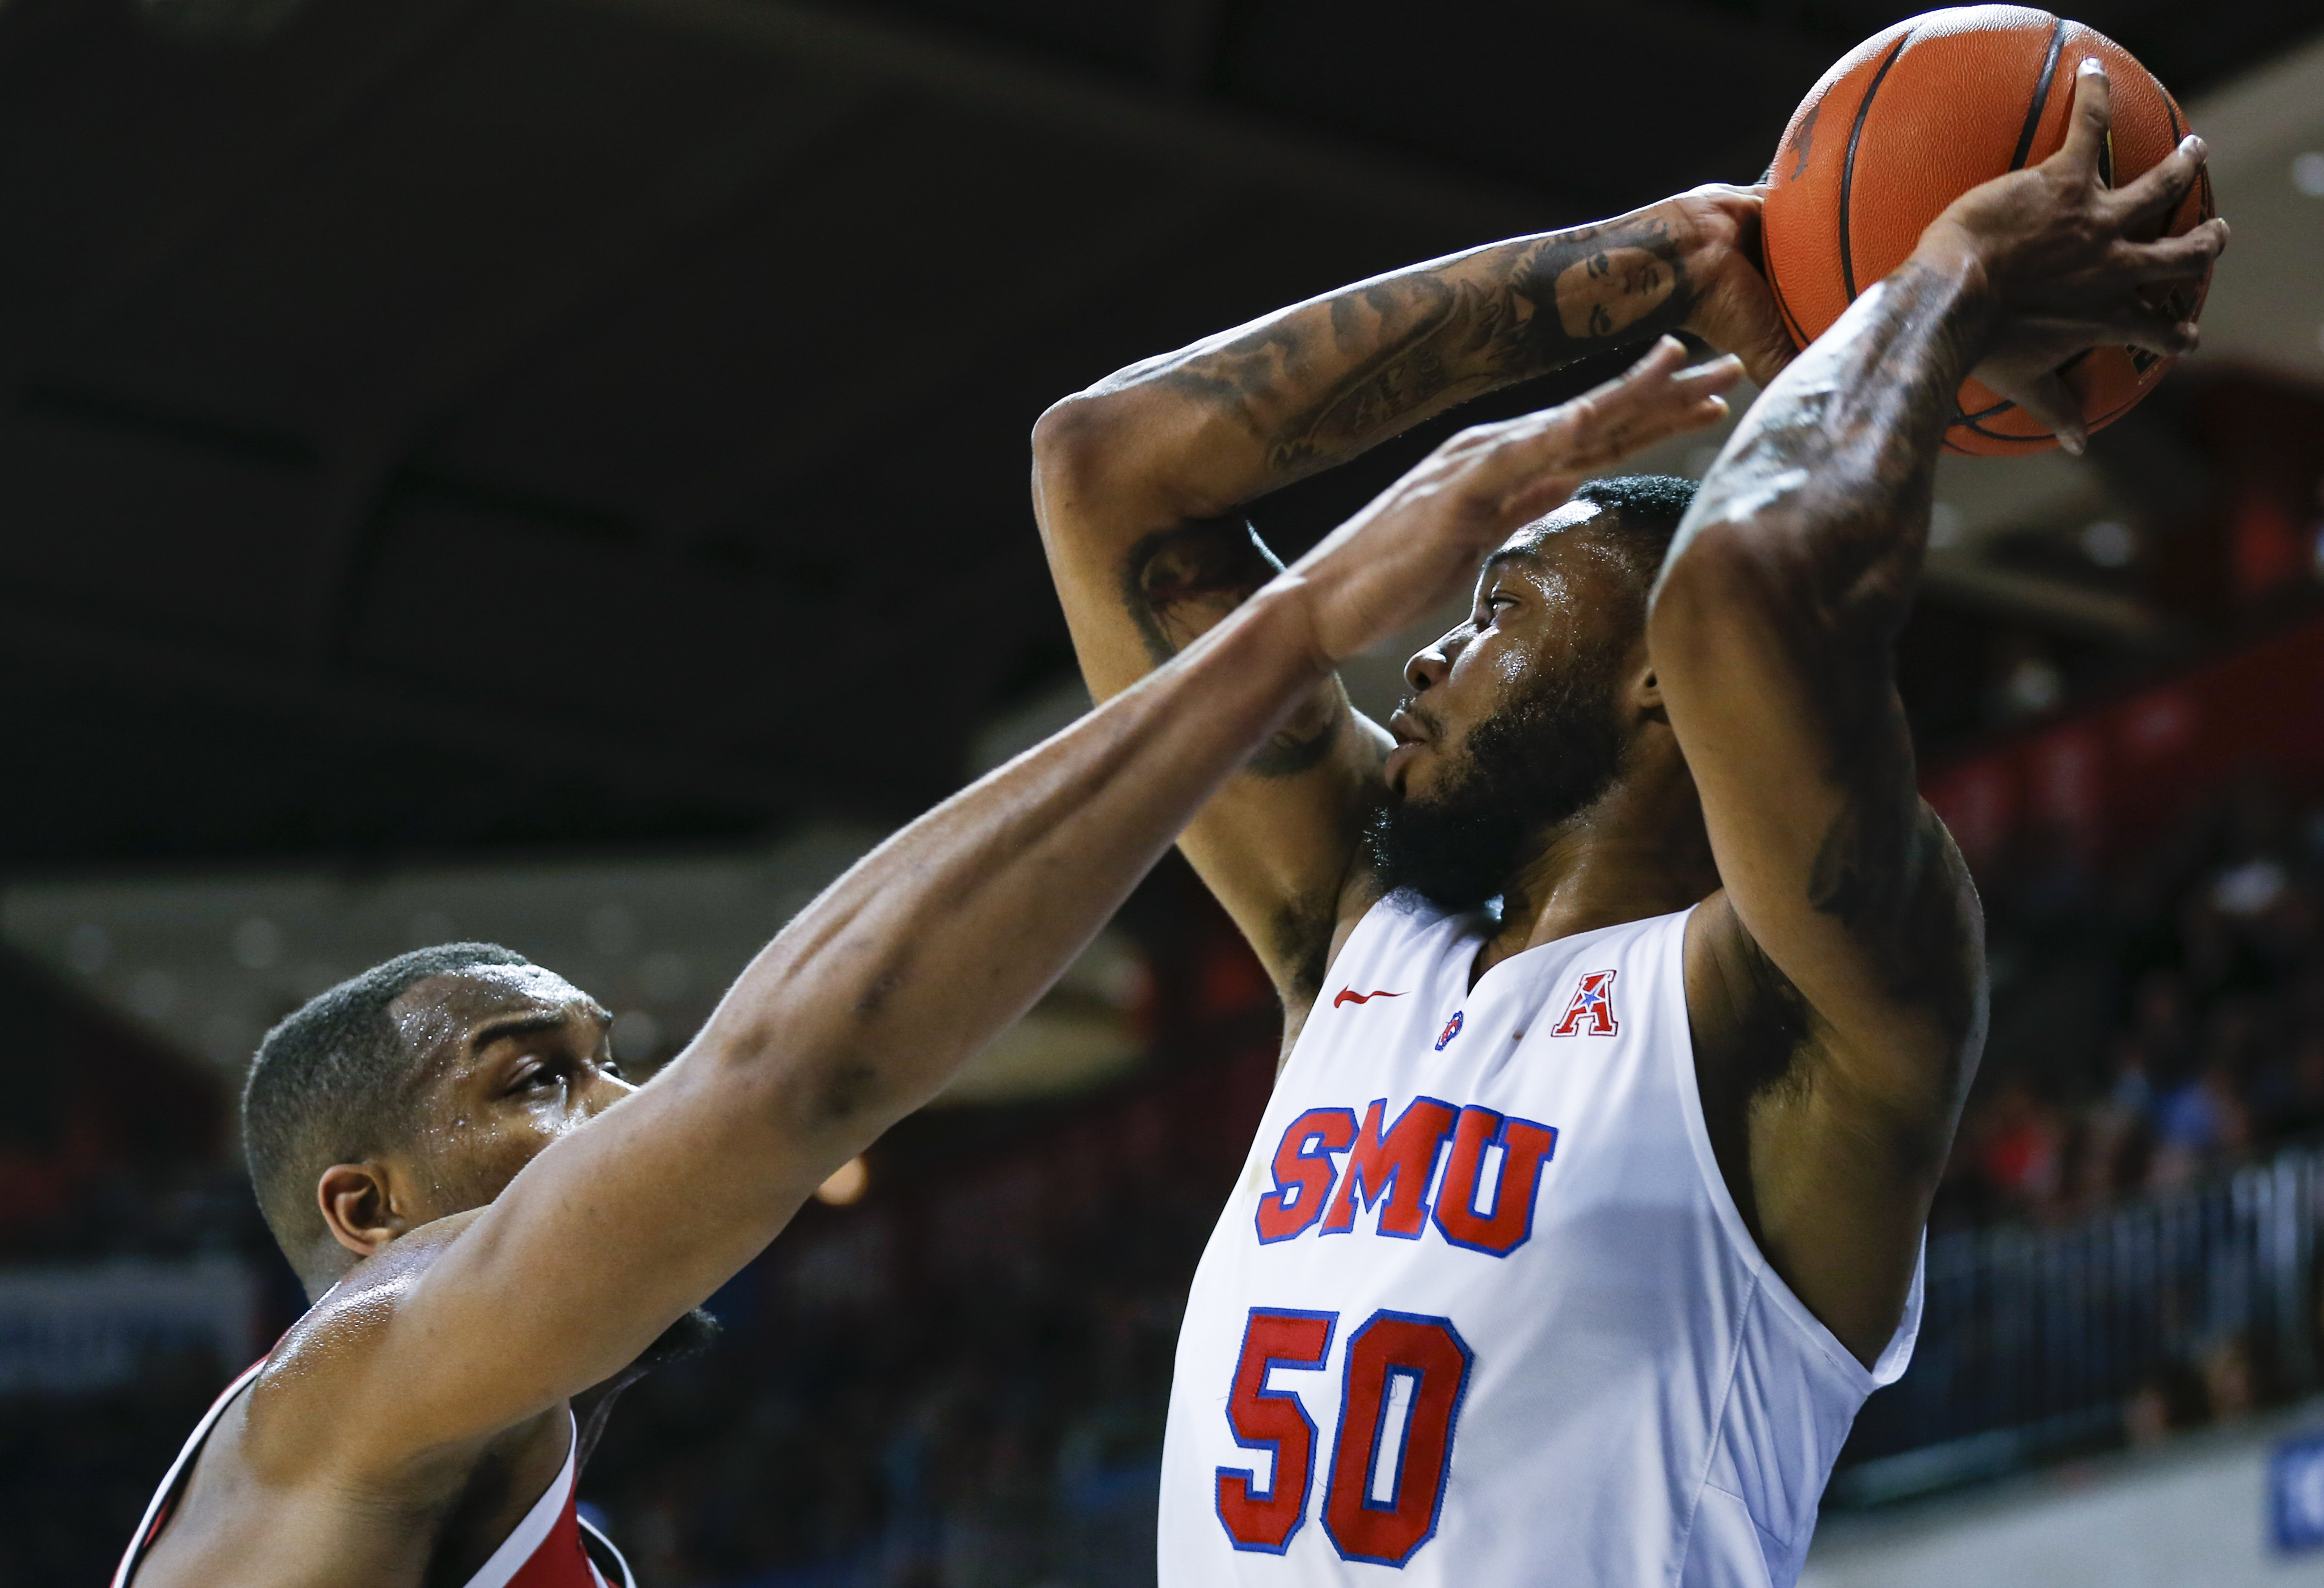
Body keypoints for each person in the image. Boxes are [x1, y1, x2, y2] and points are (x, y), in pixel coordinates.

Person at [110, 302, 1740, 1587]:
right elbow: (790, 1076)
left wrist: (1672, 251)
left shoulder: (483, 1501)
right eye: (535, 1079)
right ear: (366, 1209)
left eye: (611, 1065)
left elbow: (1099, 454)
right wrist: (1294, 632)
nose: (617, 1113)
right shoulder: (342, 1389)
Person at [1030, 61, 2225, 1586]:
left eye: (1508, 605)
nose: (1428, 658)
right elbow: (1104, 472)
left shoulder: (1793, 1006)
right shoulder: (1358, 939)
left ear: (1660, 688)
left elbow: (1746, 591)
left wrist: (1950, 276)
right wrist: (1659, 266)